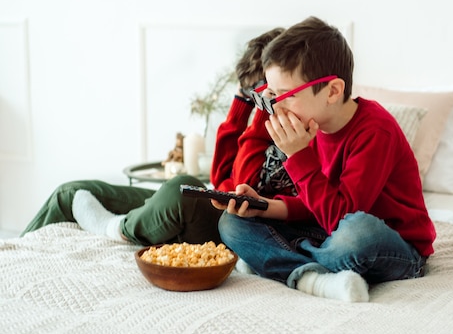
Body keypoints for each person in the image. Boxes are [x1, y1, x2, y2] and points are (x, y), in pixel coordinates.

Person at [214, 16, 436, 303]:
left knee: (357, 233)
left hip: (392, 244)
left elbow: (341, 219)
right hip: (328, 229)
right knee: (232, 223)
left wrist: (298, 156)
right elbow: (313, 205)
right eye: (270, 95)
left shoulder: (375, 131)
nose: (274, 107)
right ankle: (311, 277)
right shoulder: (311, 122)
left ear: (332, 91)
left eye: (285, 95)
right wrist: (264, 207)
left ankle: (278, 262)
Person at [21, 27, 285, 245]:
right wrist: (240, 107)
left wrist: (263, 115)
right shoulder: (256, 123)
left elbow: (240, 192)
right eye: (249, 94)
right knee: (70, 193)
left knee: (181, 187)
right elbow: (220, 180)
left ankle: (116, 229)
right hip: (216, 210)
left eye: (258, 93)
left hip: (234, 231)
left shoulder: (291, 131)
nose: (255, 101)